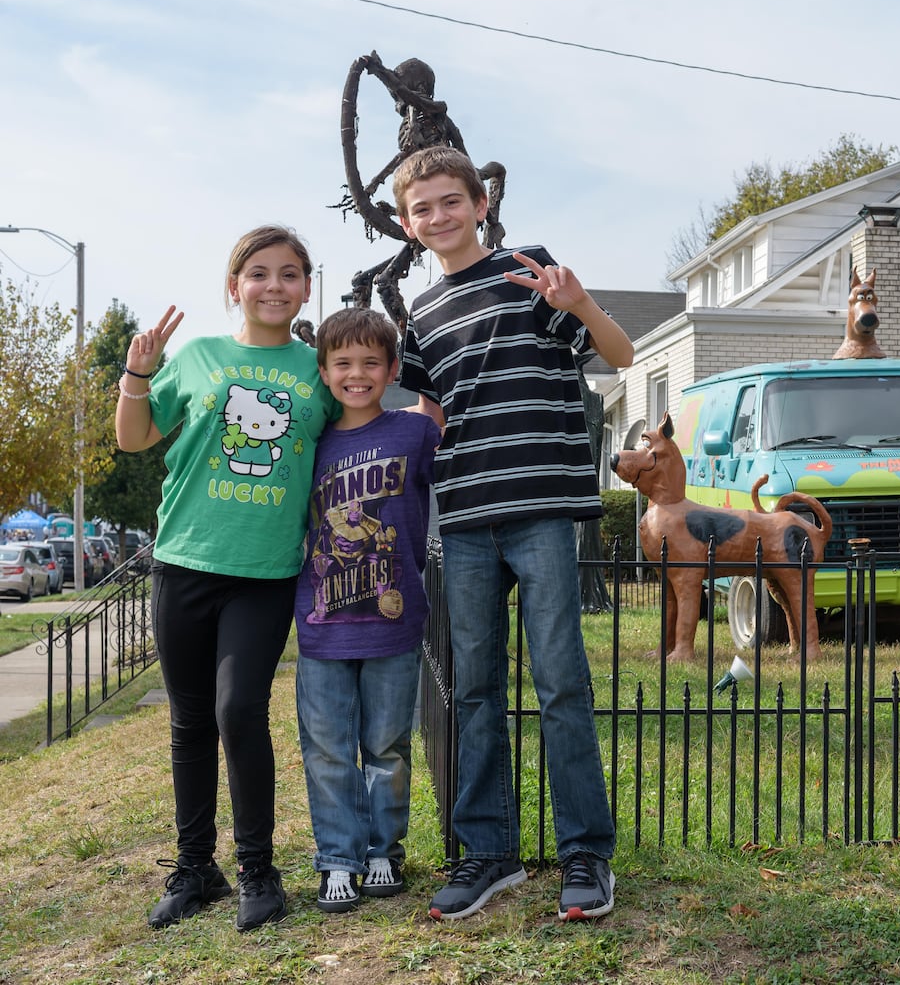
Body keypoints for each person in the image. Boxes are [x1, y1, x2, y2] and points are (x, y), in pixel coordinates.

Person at [392, 145, 634, 921]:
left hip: (541, 511)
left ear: (480, 204)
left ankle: (586, 853)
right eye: (422, 208)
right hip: (464, 519)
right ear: (407, 224)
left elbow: (621, 355)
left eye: (450, 201)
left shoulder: (530, 271)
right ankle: (489, 854)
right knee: (475, 689)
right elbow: (430, 416)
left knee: (560, 681)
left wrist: (582, 304)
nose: (438, 216)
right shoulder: (421, 315)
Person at [115, 225, 339, 931]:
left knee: (239, 709)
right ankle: (195, 869)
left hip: (265, 572)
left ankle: (257, 871)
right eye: (259, 273)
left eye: (290, 273)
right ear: (234, 285)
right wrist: (137, 375)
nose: (274, 285)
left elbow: (357, 433)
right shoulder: (198, 357)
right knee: (189, 722)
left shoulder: (319, 371)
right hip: (184, 560)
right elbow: (133, 437)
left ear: (306, 287)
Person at [291, 307, 440, 914]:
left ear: (392, 369)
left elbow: (453, 443)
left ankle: (383, 852)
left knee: (388, 746)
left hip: (393, 623)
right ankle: (337, 859)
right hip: (323, 625)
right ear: (324, 371)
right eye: (343, 363)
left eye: (371, 363)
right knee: (327, 750)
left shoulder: (414, 432)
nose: (357, 374)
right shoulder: (307, 442)